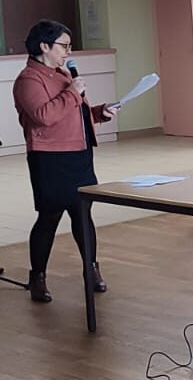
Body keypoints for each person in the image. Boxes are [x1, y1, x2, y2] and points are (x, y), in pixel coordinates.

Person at [13, 20, 118, 303]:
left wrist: (97, 112)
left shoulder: (62, 75)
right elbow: (44, 116)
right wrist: (73, 92)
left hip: (79, 154)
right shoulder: (28, 79)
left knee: (82, 214)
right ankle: (38, 277)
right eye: (64, 46)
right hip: (50, 158)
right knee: (49, 217)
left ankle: (92, 269)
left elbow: (72, 113)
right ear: (44, 46)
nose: (68, 52)